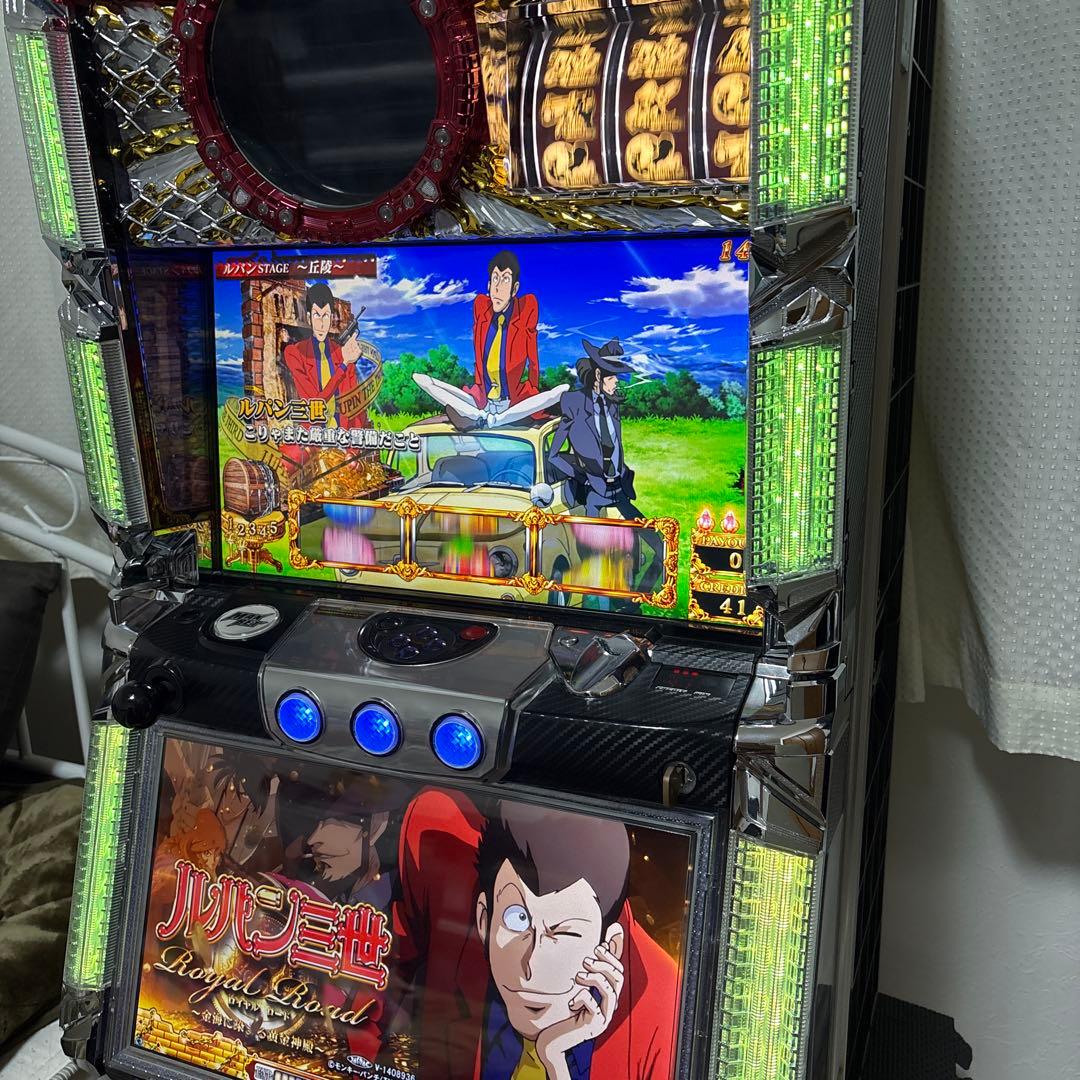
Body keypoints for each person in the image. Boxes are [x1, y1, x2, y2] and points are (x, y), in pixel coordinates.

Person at [391, 788, 680, 1080]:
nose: (531, 965)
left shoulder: (668, 1024)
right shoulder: (437, 856)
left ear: (610, 947)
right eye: (517, 920)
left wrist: (554, 1061)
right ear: (484, 920)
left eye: (565, 934)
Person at [547, 338, 664, 595]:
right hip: (594, 494)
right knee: (593, 559)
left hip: (619, 490)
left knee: (661, 548)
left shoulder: (612, 404)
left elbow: (612, 445)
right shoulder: (574, 403)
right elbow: (554, 455)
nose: (617, 382)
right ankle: (604, 600)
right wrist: (582, 477)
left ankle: (637, 598)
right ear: (598, 376)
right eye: (613, 377)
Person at [412, 251, 567, 429]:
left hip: (513, 403)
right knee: (422, 379)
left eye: (505, 280)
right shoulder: (482, 310)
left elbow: (533, 361)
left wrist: (532, 393)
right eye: (495, 279)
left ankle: (494, 419)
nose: (497, 288)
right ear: (489, 285)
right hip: (482, 401)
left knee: (560, 391)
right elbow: (478, 359)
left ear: (514, 289)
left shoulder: (524, 312)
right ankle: (480, 417)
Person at [282, 281, 365, 430]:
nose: (321, 324)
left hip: (342, 435)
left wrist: (353, 442)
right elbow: (316, 401)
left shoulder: (342, 353)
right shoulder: (294, 353)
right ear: (309, 318)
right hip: (313, 435)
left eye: (325, 316)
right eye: (317, 315)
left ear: (331, 318)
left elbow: (356, 406)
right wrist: (344, 365)